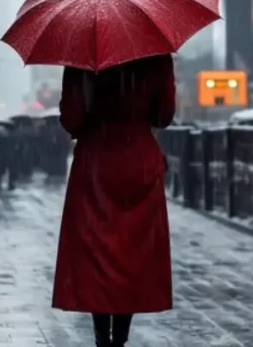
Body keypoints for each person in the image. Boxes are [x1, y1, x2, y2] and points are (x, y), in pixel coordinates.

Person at [51, 54, 176, 347]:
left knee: (98, 250)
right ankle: (120, 338)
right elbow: (164, 115)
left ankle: (101, 338)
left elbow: (71, 118)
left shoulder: (82, 57)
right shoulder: (156, 55)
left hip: (97, 159)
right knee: (132, 252)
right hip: (138, 161)